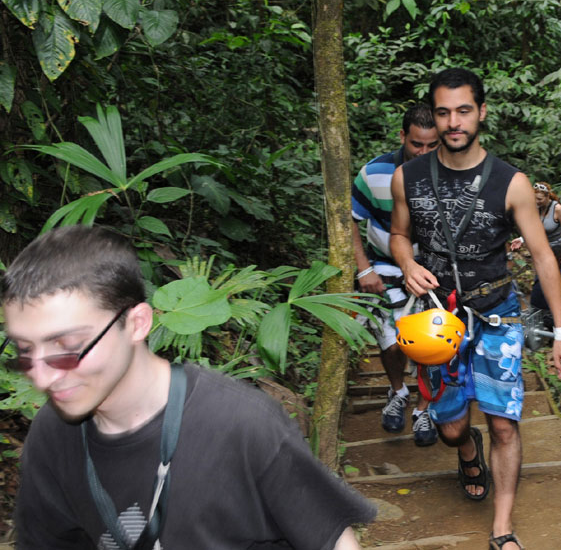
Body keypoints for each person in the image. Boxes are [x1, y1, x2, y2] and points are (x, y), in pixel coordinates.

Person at [2, 225, 375, 549]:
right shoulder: (53, 435)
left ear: (136, 323)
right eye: (23, 351)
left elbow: (333, 541)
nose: (42, 376)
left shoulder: (241, 424)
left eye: (67, 348)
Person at [389, 68, 561, 550]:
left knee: (503, 422)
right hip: (436, 320)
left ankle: (503, 528)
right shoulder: (406, 177)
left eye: (464, 111)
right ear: (434, 114)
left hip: (498, 314)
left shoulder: (510, 182)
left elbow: (541, 256)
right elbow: (399, 234)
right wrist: (406, 262)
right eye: (444, 112)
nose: (454, 122)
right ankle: (465, 451)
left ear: (481, 113)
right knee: (450, 429)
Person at [351, 103, 440, 445]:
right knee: (390, 337)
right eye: (417, 144)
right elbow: (351, 220)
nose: (424, 152)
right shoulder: (374, 173)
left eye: (432, 145)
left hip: (434, 266)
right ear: (403, 136)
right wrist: (364, 269)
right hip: (385, 264)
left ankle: (423, 409)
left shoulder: (450, 170)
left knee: (431, 340)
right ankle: (397, 391)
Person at [508, 181, 561, 265]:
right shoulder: (535, 208)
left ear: (547, 196)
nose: (536, 201)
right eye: (534, 198)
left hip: (558, 249)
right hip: (542, 250)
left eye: (539, 199)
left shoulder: (558, 209)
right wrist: (521, 239)